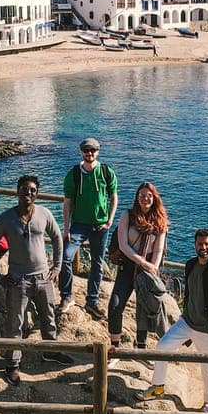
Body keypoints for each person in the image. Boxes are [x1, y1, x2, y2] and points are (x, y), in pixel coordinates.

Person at [0, 175, 74, 386]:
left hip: (43, 278)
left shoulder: (44, 213)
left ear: (37, 193)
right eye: (25, 189)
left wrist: (57, 267)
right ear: (17, 191)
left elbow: (57, 238)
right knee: (15, 323)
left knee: (49, 318)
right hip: (18, 280)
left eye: (33, 190)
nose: (29, 193)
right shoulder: (6, 218)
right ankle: (13, 364)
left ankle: (49, 352)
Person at [136, 228, 208, 413]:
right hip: (187, 322)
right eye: (200, 244)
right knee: (162, 347)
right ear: (195, 245)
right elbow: (191, 291)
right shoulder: (190, 264)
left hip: (207, 328)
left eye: (207, 244)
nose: (203, 247)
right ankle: (158, 387)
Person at [58, 137, 118, 320]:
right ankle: (67, 297)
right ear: (81, 152)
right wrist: (66, 228)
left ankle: (92, 301)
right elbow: (67, 203)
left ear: (98, 151)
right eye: (86, 150)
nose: (89, 153)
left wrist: (109, 221)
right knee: (65, 257)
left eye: (92, 150)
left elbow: (114, 196)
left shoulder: (107, 172)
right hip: (78, 225)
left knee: (98, 265)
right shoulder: (74, 174)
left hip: (100, 226)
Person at [107, 182, 168, 360]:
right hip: (128, 265)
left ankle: (141, 348)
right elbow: (124, 245)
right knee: (115, 305)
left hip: (148, 268)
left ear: (154, 197)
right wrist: (142, 262)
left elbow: (158, 249)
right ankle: (115, 348)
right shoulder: (128, 215)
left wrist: (152, 267)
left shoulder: (160, 220)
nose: (145, 198)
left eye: (149, 195)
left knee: (143, 309)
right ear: (137, 197)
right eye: (142, 195)